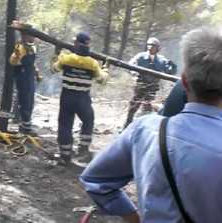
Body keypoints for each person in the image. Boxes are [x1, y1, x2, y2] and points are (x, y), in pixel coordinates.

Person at [80, 26, 222, 223]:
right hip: (141, 86)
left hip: (152, 91)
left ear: (185, 82)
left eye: (154, 45)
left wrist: (133, 218)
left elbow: (95, 180)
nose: (152, 48)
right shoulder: (141, 57)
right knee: (134, 107)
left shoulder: (145, 130)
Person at [50, 32, 109, 166]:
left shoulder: (66, 59)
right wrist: (106, 67)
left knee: (65, 125)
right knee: (88, 120)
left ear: (76, 44)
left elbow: (53, 69)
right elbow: (102, 80)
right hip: (83, 98)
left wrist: (56, 54)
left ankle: (65, 155)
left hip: (67, 98)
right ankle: (83, 149)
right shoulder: (92, 63)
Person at [124, 37, 177, 128]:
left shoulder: (161, 60)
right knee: (134, 104)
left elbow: (169, 71)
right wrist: (135, 74)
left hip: (153, 86)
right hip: (141, 84)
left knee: (147, 106)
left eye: (153, 45)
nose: (150, 47)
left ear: (157, 47)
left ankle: (142, 126)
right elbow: (130, 66)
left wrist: (173, 67)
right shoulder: (140, 56)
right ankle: (127, 124)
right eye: (149, 45)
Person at [9, 26, 43, 136]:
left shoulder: (32, 48)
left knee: (29, 101)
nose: (34, 37)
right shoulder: (20, 47)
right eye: (32, 35)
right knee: (25, 101)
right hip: (22, 77)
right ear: (26, 35)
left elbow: (33, 64)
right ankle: (25, 127)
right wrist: (16, 54)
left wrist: (37, 74)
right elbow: (13, 62)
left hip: (29, 77)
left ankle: (24, 124)